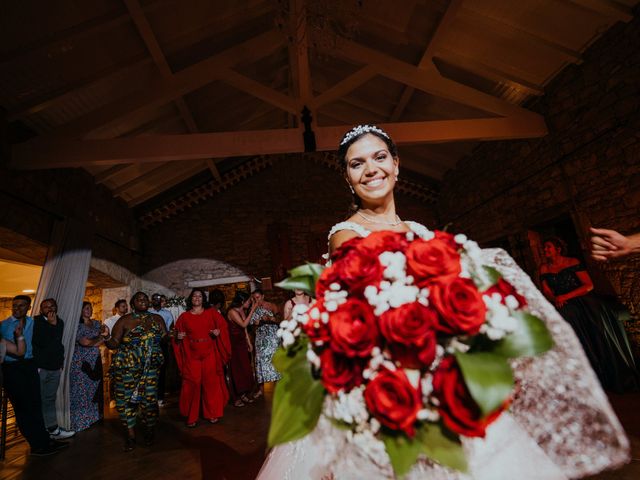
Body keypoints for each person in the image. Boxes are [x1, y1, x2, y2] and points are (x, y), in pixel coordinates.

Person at [256, 124, 631, 479]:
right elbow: (364, 316)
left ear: (396, 164)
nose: (371, 169)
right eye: (357, 163)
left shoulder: (421, 232)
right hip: (395, 376)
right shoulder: (345, 235)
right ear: (347, 177)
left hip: (446, 371)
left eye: (379, 157)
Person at [539, 237, 638, 392]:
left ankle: (605, 374)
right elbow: (547, 291)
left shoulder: (572, 262)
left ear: (558, 249)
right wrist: (556, 299)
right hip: (561, 304)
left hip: (582, 302)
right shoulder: (544, 268)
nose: (545, 250)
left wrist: (565, 297)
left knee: (590, 328)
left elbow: (589, 285)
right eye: (544, 248)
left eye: (548, 247)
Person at [0, 295, 68, 456]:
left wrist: (53, 325)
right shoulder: (3, 326)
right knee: (23, 407)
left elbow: (49, 339)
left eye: (22, 305)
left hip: (30, 366)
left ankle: (45, 440)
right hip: (11, 368)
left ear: (28, 308)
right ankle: (36, 445)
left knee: (36, 405)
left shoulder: (33, 322)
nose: (17, 308)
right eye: (14, 305)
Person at [105, 292, 167, 451]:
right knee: (125, 401)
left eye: (145, 299)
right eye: (139, 299)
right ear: (132, 304)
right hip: (127, 367)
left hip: (150, 368)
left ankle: (150, 430)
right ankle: (130, 435)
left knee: (150, 401)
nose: (143, 301)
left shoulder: (157, 319)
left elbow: (165, 339)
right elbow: (113, 344)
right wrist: (105, 337)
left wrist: (173, 337)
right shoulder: (124, 320)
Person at [172, 288, 231, 427]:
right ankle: (192, 416)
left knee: (211, 383)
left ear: (203, 299)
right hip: (192, 354)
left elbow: (223, 326)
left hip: (209, 352)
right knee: (193, 383)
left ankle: (212, 413)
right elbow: (176, 334)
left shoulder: (212, 313)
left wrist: (218, 332)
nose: (197, 298)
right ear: (191, 299)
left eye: (200, 296)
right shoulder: (184, 317)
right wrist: (177, 337)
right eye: (194, 296)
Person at [32, 298, 75, 440]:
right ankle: (41, 431)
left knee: (49, 399)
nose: (49, 308)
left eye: (52, 306)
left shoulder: (59, 321)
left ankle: (52, 429)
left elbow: (57, 343)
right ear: (41, 309)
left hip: (55, 367)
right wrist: (51, 325)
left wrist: (60, 361)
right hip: (41, 367)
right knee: (38, 399)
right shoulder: (35, 322)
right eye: (46, 307)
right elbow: (41, 342)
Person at [70, 301, 108, 431]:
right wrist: (98, 340)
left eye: (90, 308)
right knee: (81, 389)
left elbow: (104, 338)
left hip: (95, 360)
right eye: (86, 308)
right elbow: (84, 342)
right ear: (80, 310)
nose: (89, 310)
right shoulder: (77, 326)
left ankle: (93, 417)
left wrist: (97, 341)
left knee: (95, 388)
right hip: (81, 362)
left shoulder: (97, 323)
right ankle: (81, 420)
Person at [226, 291, 256, 407]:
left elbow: (244, 330)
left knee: (246, 370)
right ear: (243, 301)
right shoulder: (232, 311)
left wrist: (249, 342)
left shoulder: (242, 310)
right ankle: (236, 398)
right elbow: (243, 324)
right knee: (237, 371)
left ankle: (243, 394)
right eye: (249, 300)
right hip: (234, 345)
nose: (250, 302)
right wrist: (253, 309)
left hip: (242, 343)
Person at [249, 289, 281, 399]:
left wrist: (271, 319)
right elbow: (251, 327)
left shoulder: (272, 306)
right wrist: (256, 324)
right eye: (254, 298)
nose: (256, 300)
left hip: (272, 337)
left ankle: (278, 388)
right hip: (260, 338)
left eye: (257, 297)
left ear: (263, 296)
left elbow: (280, 320)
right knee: (260, 362)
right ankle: (261, 390)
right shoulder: (253, 309)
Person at [149, 293, 174, 406]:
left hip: (162, 344)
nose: (156, 301)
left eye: (158, 299)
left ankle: (160, 397)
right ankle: (149, 396)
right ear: (151, 301)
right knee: (149, 370)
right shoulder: (148, 312)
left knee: (162, 370)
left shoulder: (167, 313)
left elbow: (170, 329)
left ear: (161, 300)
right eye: (154, 299)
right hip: (149, 344)